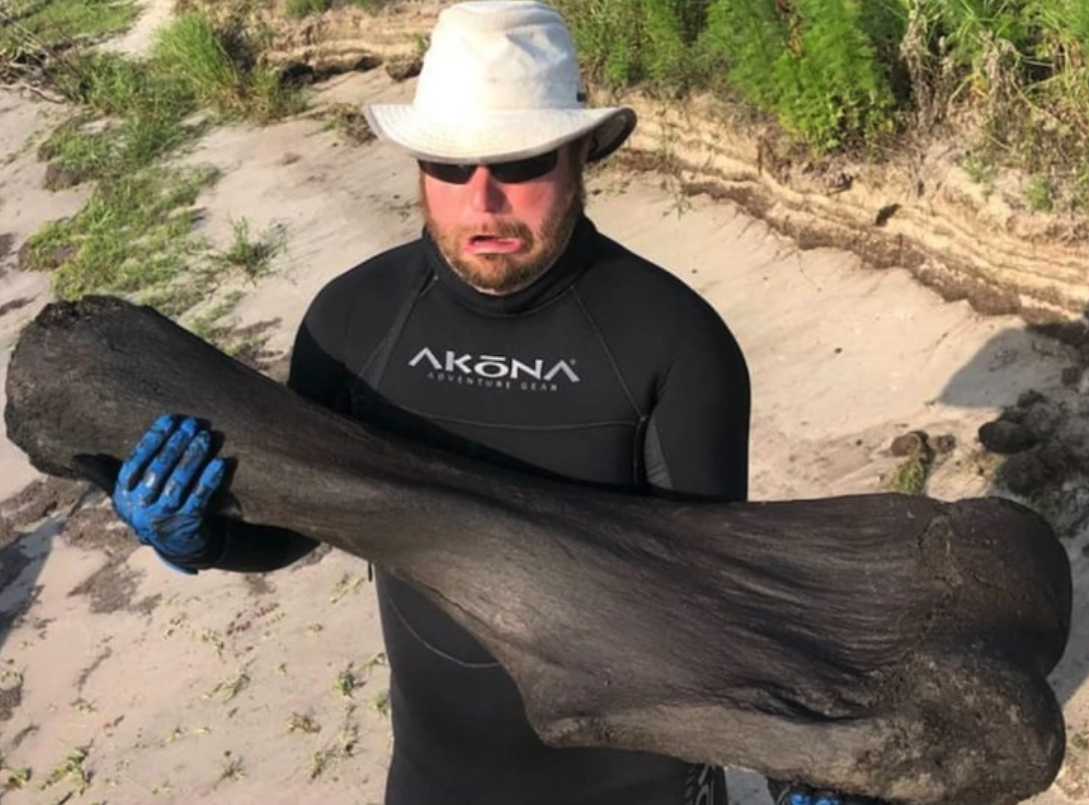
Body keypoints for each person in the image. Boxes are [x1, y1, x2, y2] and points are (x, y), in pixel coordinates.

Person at [109, 3, 868, 804]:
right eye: (450, 166)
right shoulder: (353, 324)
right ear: (417, 167)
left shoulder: (673, 343)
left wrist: (802, 767)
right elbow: (294, 530)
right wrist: (197, 539)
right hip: (435, 782)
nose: (483, 203)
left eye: (520, 164)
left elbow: (711, 602)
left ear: (580, 153)